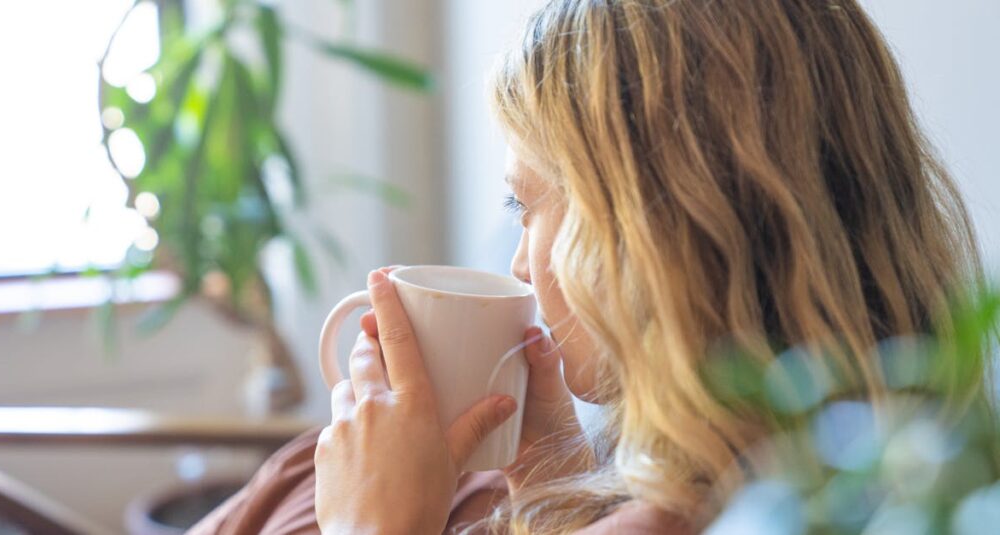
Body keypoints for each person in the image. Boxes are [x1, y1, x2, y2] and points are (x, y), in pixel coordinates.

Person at [190, 0, 989, 533]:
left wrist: (371, 525)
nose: (519, 262)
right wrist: (555, 486)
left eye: (526, 204)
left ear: (653, 229)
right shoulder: (893, 467)